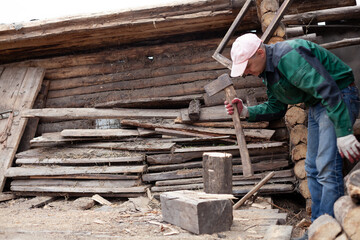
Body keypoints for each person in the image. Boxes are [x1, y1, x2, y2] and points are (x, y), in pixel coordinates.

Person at [224, 33, 360, 240]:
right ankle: (318, 229)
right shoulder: (268, 73)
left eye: (247, 66)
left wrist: (343, 132)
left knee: (326, 167)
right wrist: (246, 112)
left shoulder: (288, 56)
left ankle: (328, 233)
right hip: (317, 105)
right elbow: (276, 107)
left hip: (338, 97)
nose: (246, 73)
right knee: (312, 168)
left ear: (260, 52)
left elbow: (327, 89)